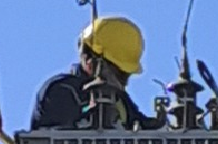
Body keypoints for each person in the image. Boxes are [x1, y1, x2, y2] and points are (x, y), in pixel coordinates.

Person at [31, 16, 163, 130]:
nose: (123, 82)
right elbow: (59, 140)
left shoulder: (119, 100)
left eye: (126, 75)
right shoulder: (62, 92)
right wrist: (91, 110)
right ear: (91, 60)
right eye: (119, 73)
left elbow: (141, 124)